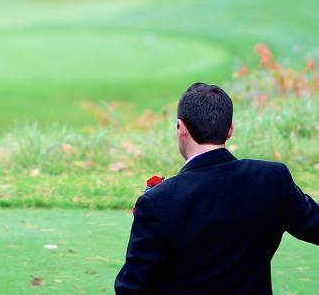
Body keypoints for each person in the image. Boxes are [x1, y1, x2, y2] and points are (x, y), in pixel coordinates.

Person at [115, 82, 319, 294]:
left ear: (181, 127)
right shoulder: (273, 179)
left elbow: (131, 288)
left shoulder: (158, 202)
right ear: (230, 130)